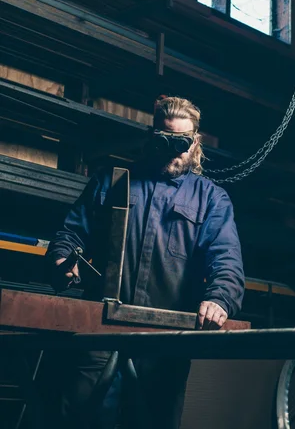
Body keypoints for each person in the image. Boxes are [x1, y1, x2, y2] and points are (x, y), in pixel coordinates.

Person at [46, 96, 245, 429]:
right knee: (82, 420)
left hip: (164, 346)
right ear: (153, 136)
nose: (172, 150)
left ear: (195, 142)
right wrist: (63, 260)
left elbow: (225, 258)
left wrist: (219, 297)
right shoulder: (111, 181)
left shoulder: (211, 198)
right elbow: (71, 235)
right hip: (99, 336)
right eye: (164, 140)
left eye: (181, 142)